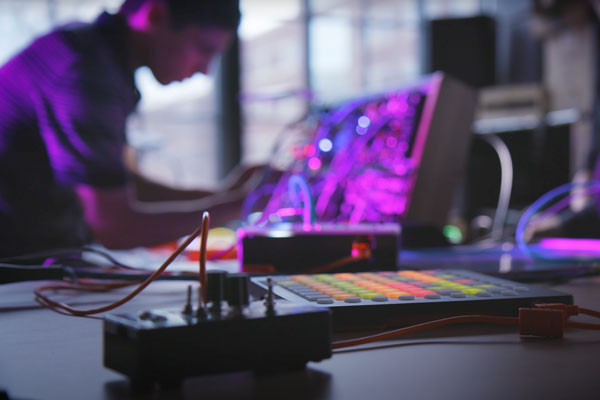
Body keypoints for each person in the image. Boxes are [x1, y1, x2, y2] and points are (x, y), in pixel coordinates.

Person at [0, 0, 254, 257]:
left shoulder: (95, 55)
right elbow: (111, 226)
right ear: (154, 15)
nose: (204, 69)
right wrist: (241, 204)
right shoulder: (84, 70)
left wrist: (226, 196)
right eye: (204, 49)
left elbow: (116, 187)